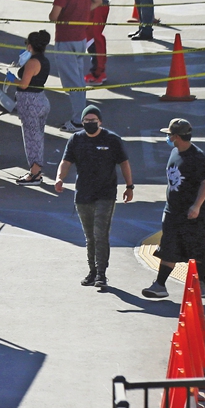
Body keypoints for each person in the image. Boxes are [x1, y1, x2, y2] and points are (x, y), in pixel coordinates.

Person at [55, 105, 133, 290]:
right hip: (83, 195)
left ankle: (101, 274)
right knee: (90, 237)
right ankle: (92, 271)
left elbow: (124, 163)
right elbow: (66, 162)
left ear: (100, 122)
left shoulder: (112, 139)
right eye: (86, 121)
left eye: (93, 121)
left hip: (106, 194)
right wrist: (59, 178)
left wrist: (129, 186)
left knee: (100, 234)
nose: (90, 124)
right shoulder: (76, 140)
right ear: (82, 123)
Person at [143, 119, 205, 299]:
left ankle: (202, 283)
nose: (167, 137)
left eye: (169, 134)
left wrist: (196, 206)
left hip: (194, 214)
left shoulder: (198, 157)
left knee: (199, 250)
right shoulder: (175, 152)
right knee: (169, 247)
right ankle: (159, 285)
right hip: (173, 211)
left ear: (176, 136)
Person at [50, 0, 102, 131]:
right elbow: (98, 0)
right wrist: (83, 13)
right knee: (78, 79)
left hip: (65, 39)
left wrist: (67, 17)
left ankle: (79, 120)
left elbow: (53, 16)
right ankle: (81, 115)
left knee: (72, 81)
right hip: (80, 38)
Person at [13, 30, 53, 184]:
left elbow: (24, 84)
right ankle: (37, 171)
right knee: (38, 136)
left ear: (30, 46)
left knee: (31, 138)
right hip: (41, 99)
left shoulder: (32, 62)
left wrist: (11, 79)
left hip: (30, 102)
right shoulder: (44, 61)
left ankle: (34, 173)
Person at [85, 0, 110, 86]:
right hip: (98, 3)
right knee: (93, 36)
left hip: (96, 4)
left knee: (93, 37)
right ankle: (98, 70)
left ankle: (98, 72)